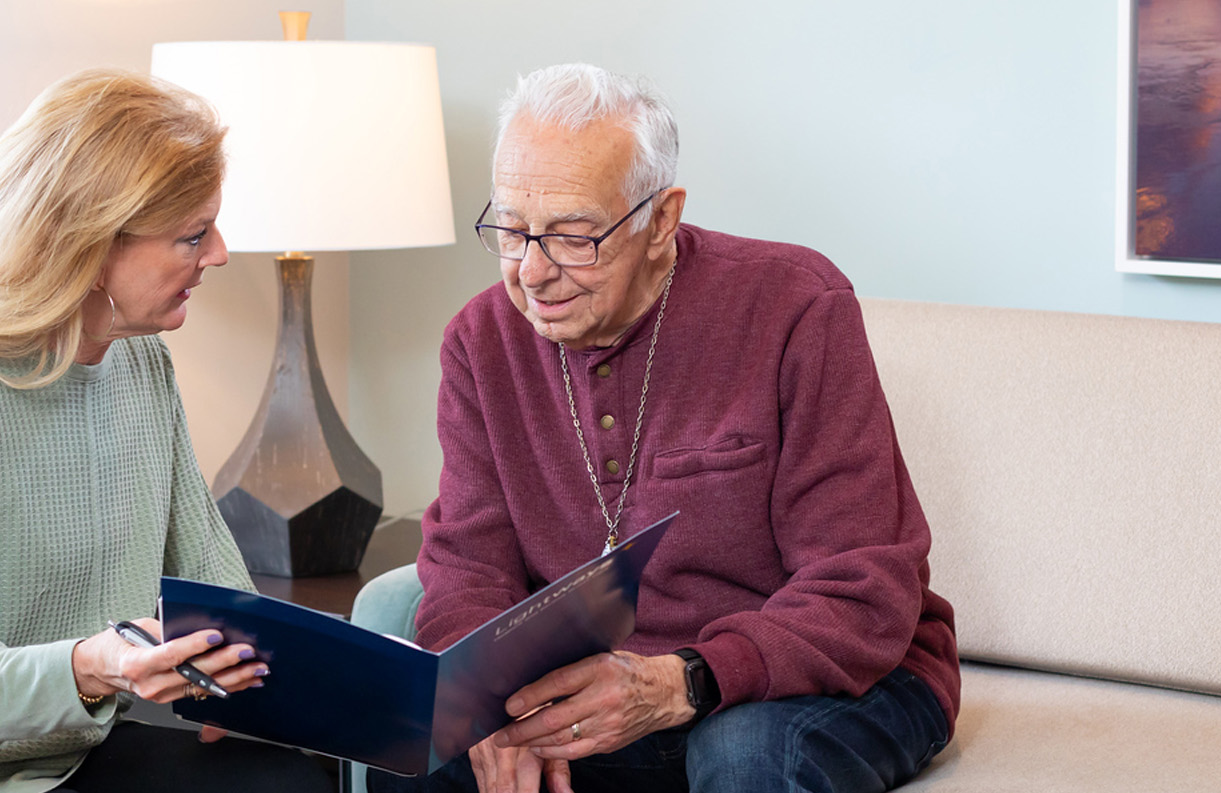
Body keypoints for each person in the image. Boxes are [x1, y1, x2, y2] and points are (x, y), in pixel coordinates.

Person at [371, 64, 958, 793]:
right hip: (596, 698)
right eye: (513, 230)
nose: (532, 271)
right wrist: (485, 707)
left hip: (825, 677)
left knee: (742, 755)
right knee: (413, 751)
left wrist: (682, 681)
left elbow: (863, 586)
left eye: (572, 236)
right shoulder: (480, 342)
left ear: (661, 220)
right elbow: (468, 570)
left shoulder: (796, 308)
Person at [0, 69, 333, 793]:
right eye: (192, 235)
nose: (220, 253)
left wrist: (282, 676)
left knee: (297, 781)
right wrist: (92, 664)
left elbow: (214, 584)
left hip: (69, 756)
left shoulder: (139, 360)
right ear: (91, 242)